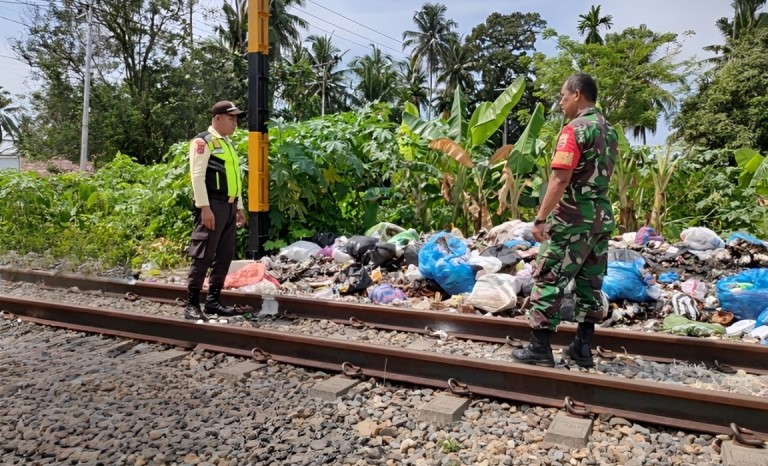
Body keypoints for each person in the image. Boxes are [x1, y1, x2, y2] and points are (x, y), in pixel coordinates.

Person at [512, 72, 617, 368]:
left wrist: (540, 218)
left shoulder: (575, 129)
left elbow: (560, 178)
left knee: (549, 278)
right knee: (589, 284)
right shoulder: (609, 131)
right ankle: (582, 349)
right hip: (600, 219)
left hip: (572, 218)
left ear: (578, 93)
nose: (560, 102)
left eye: (563, 95)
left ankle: (539, 348)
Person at [185, 100, 247, 320]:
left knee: (224, 255)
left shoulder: (227, 144)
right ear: (217, 118)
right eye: (231, 119)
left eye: (236, 119)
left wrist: (238, 207)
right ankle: (192, 304)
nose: (235, 123)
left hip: (229, 206)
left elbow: (234, 179)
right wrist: (204, 208)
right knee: (203, 254)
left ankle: (213, 301)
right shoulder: (203, 142)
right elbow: (197, 176)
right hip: (212, 205)